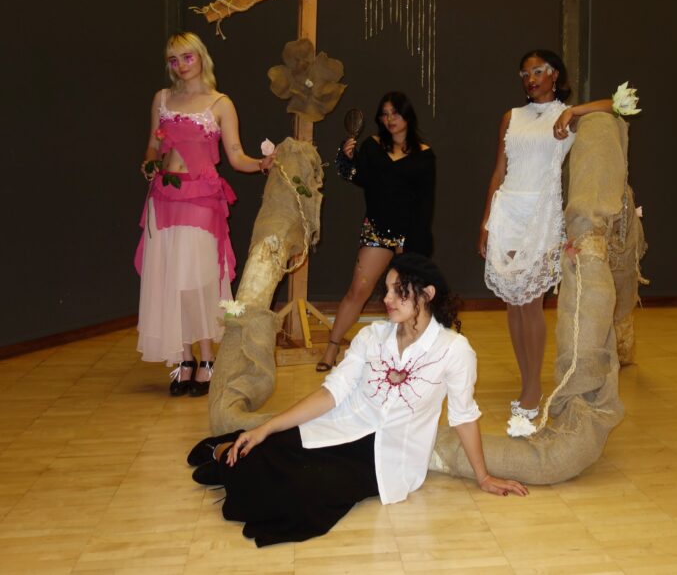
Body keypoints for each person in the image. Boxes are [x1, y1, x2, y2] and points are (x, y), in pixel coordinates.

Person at [187, 253, 528, 547]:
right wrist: (266, 427)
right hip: (341, 428)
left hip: (387, 459)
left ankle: (228, 461)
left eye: (398, 290)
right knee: (265, 448)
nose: (387, 299)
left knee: (302, 493)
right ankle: (223, 450)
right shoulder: (372, 336)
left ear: (427, 294)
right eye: (387, 290)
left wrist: (483, 476)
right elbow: (330, 393)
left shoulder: (454, 350)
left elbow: (464, 416)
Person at [478, 49, 614, 426]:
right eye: (524, 74)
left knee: (531, 304)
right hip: (507, 211)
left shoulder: (565, 116)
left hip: (541, 213)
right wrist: (486, 221)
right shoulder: (511, 117)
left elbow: (615, 107)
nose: (530, 79)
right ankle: (527, 381)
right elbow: (498, 171)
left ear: (554, 74)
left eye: (537, 71)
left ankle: (532, 387)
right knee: (513, 302)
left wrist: (573, 111)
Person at [135, 32, 273, 397]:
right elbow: (152, 146)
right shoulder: (162, 98)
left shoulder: (221, 103)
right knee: (171, 277)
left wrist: (262, 164)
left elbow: (236, 156)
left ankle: (208, 359)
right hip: (164, 197)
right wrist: (149, 164)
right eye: (173, 59)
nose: (181, 65)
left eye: (187, 57)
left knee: (199, 277)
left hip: (201, 198)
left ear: (201, 57)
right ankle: (185, 359)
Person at [316, 91, 436, 372]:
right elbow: (359, 177)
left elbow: (426, 201)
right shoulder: (372, 145)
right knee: (357, 290)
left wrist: (418, 241)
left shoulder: (425, 155)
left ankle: (410, 357)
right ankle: (331, 348)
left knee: (408, 297)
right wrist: (347, 159)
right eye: (384, 114)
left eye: (395, 113)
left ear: (407, 115)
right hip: (378, 230)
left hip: (410, 233)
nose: (390, 119)